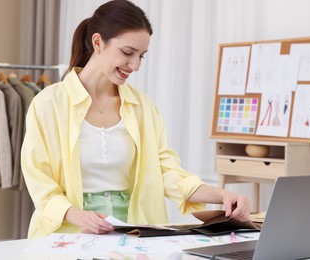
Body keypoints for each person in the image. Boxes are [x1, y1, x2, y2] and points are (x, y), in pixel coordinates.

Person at [21, 0, 250, 238]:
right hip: (66, 234)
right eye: (128, 53)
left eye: (142, 56)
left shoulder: (142, 107)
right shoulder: (49, 103)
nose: (135, 65)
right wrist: (77, 215)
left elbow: (167, 172)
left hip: (134, 234)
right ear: (97, 42)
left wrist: (221, 195)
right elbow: (39, 178)